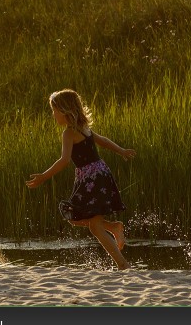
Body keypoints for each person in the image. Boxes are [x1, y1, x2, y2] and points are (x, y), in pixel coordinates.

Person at [25, 89, 135, 270]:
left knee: (95, 226)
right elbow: (104, 141)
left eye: (54, 111)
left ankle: (122, 263)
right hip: (98, 175)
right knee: (76, 217)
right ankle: (114, 227)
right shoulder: (84, 129)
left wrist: (44, 176)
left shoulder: (69, 133)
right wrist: (120, 150)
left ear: (65, 111)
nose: (53, 115)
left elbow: (64, 160)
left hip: (93, 179)